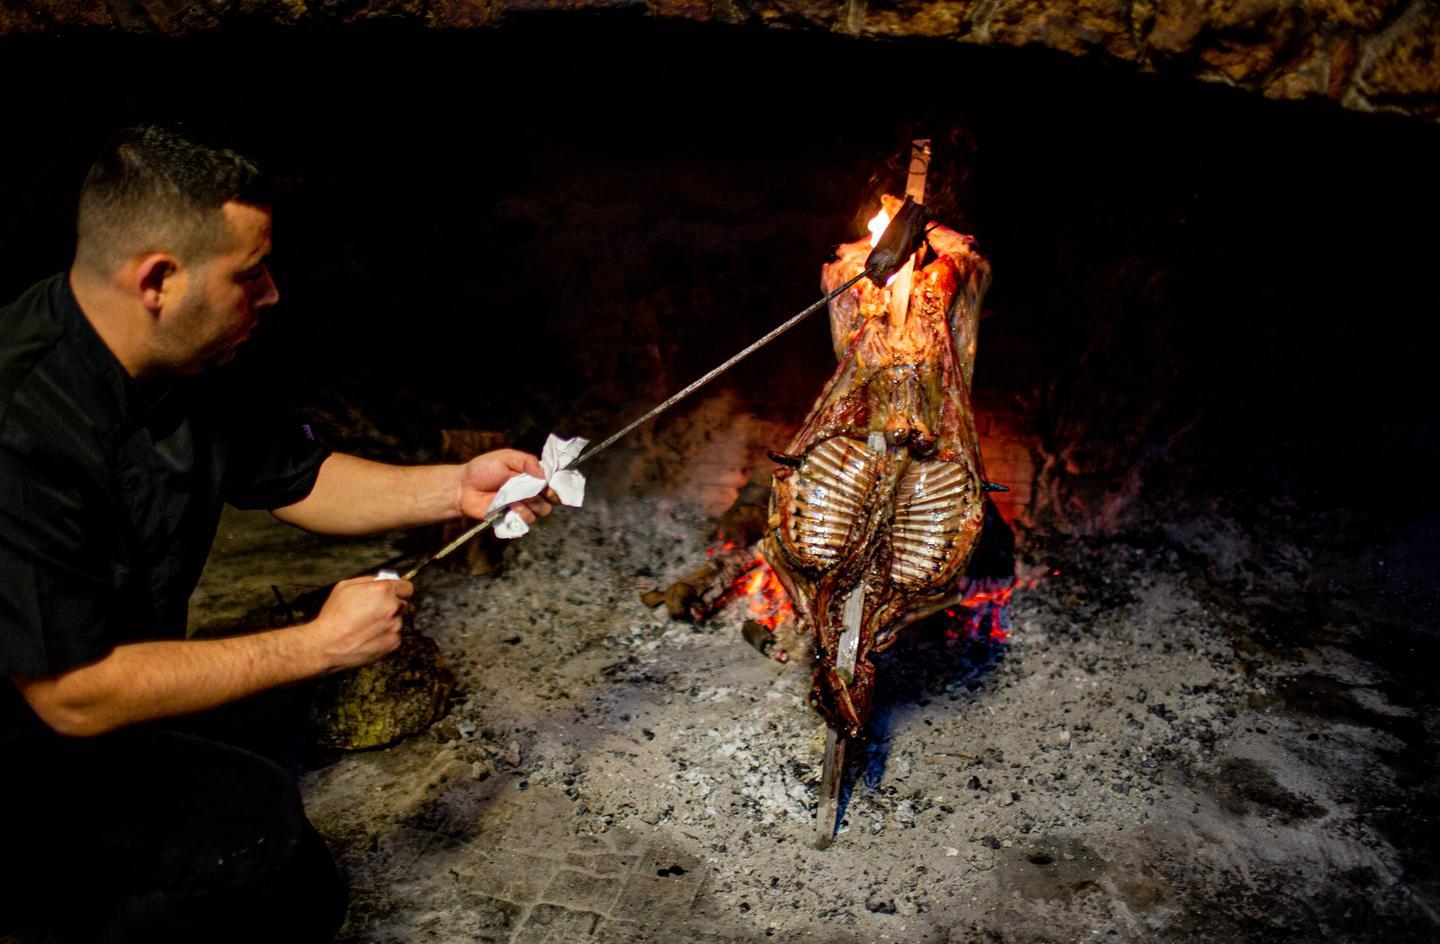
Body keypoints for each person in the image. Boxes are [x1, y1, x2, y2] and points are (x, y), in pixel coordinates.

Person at [0, 125, 552, 942]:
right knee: (252, 839)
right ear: (158, 278)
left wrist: (456, 490)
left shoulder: (181, 358)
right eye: (248, 275)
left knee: (287, 861)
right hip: (24, 735)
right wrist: (318, 645)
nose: (271, 295)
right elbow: (72, 696)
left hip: (99, 697)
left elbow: (298, 478)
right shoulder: (21, 419)